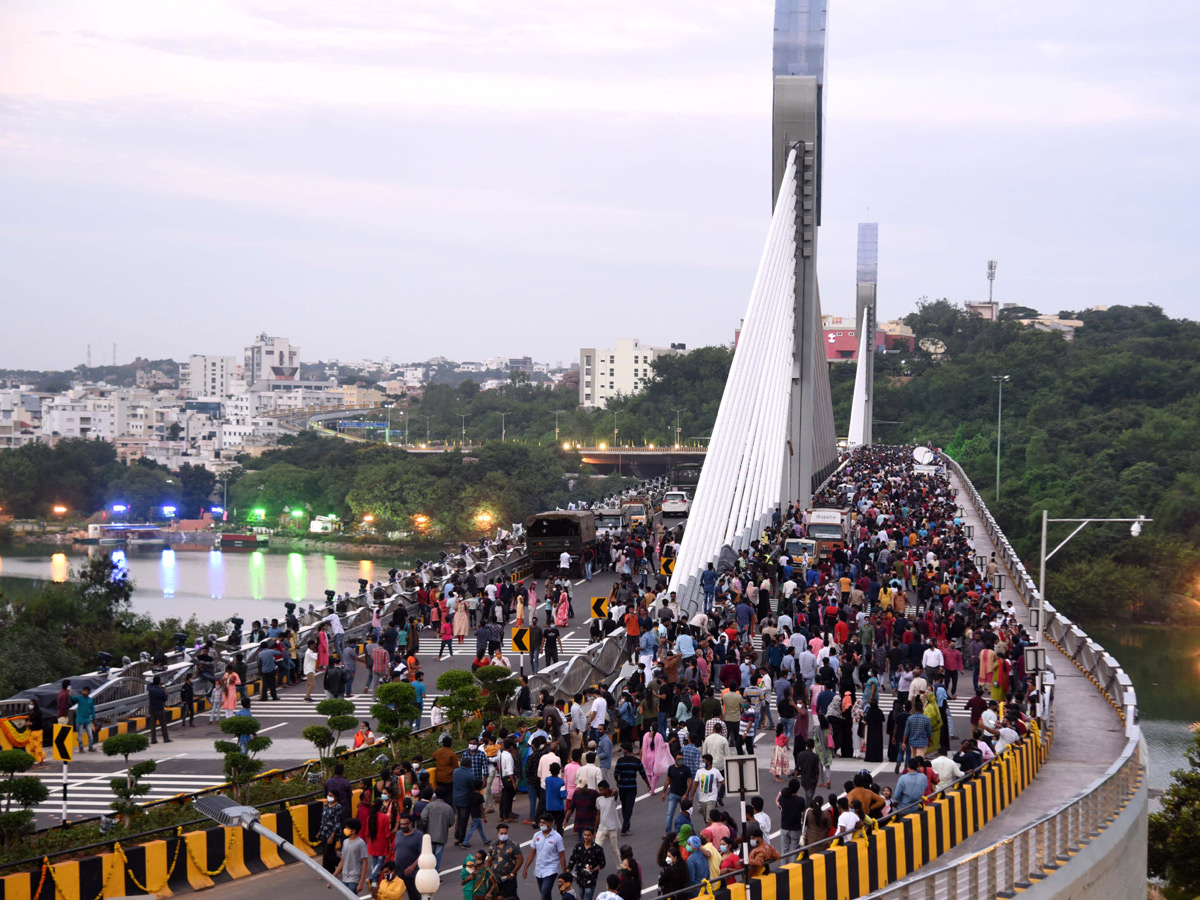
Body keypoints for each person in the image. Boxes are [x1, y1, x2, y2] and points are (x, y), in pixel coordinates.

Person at [522, 815, 566, 900]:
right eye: (540, 822)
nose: (541, 824)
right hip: (539, 869)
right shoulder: (536, 836)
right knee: (545, 895)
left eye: (544, 823)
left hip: (551, 870)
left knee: (544, 894)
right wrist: (525, 868)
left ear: (550, 823)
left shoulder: (557, 837)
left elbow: (562, 856)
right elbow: (532, 853)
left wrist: (564, 874)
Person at [567, 828, 606, 900]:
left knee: (587, 897)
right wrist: (567, 872)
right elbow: (572, 860)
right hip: (579, 878)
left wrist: (593, 870)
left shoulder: (598, 849)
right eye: (585, 835)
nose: (586, 837)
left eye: (588, 835)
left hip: (591, 878)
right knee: (582, 895)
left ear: (593, 836)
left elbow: (602, 863)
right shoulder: (578, 847)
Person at [489, 823, 524, 900]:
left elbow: (520, 859)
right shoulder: (493, 846)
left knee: (511, 897)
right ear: (497, 834)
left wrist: (513, 873)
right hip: (496, 879)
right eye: (501, 833)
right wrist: (488, 874)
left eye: (505, 833)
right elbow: (489, 861)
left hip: (508, 878)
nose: (503, 835)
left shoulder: (513, 845)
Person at [335, 819, 369, 896]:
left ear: (353, 830)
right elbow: (342, 861)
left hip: (354, 878)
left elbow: (365, 863)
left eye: (347, 828)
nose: (345, 829)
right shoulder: (345, 842)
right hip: (345, 877)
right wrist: (333, 876)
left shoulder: (360, 843)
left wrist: (361, 883)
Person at [69, 685, 98, 752]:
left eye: (86, 691)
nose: (84, 692)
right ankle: (81, 747)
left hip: (87, 719)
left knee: (90, 734)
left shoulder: (90, 700)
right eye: (84, 691)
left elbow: (92, 709)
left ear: (88, 692)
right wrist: (68, 692)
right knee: (80, 735)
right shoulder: (79, 698)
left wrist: (94, 718)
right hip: (80, 720)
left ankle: (90, 747)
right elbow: (71, 698)